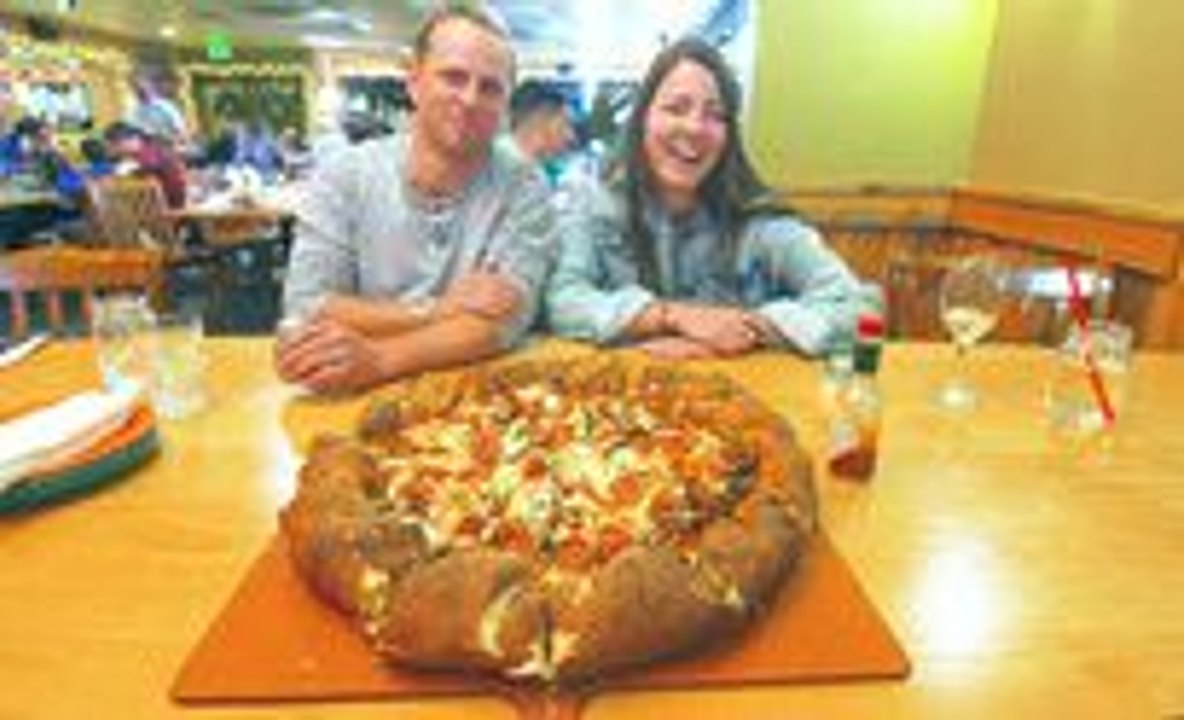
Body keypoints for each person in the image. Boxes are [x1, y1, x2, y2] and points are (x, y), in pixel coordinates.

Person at [275, 2, 557, 394]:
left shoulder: (524, 184)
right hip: (349, 393)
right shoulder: (346, 174)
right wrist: (441, 310)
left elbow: (500, 324)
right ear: (414, 80)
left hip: (475, 397)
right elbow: (309, 306)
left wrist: (379, 359)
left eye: (490, 87)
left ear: (506, 104)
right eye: (453, 77)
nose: (470, 99)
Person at [545, 37, 878, 359]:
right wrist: (670, 316)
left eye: (715, 114)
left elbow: (857, 306)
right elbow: (562, 301)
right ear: (642, 119)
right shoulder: (592, 205)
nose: (694, 127)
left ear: (729, 135)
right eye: (676, 108)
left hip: (743, 399)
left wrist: (748, 330)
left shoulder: (761, 221)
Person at [103, 121, 188, 208]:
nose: (116, 151)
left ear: (124, 141)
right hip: (160, 208)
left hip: (172, 207)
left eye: (115, 146)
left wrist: (131, 170)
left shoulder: (150, 152)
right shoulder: (145, 150)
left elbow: (152, 167)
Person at [508, 80, 574, 181]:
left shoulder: (539, 171)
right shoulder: (500, 173)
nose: (570, 136)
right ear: (540, 125)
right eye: (562, 126)